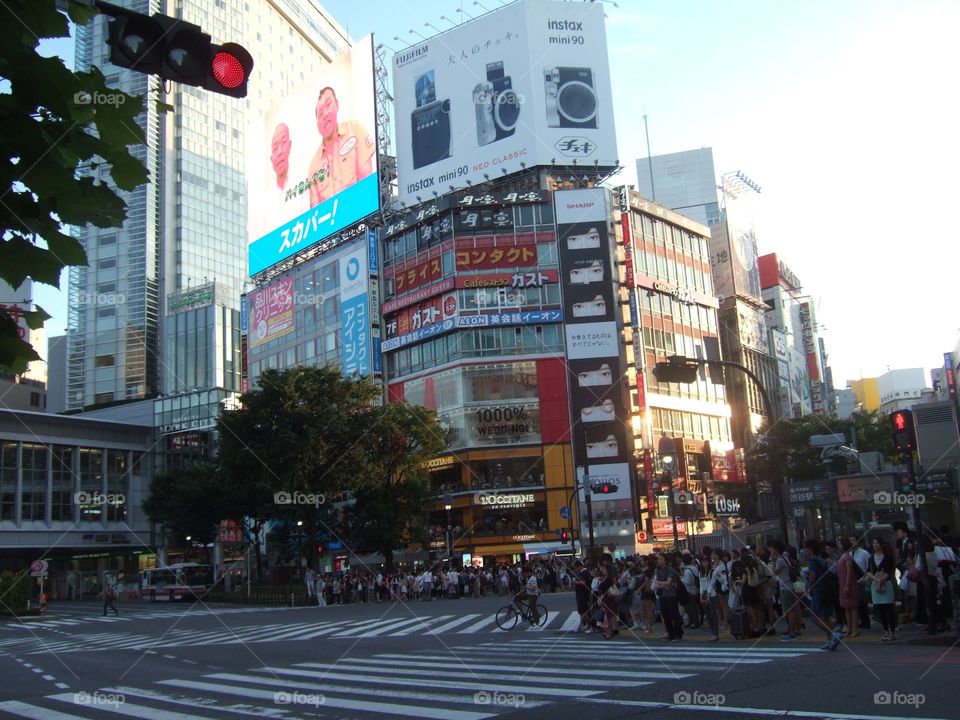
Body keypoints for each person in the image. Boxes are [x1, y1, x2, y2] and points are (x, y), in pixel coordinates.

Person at [308, 86, 376, 207]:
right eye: (320, 113)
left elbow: (367, 186)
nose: (325, 115)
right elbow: (316, 213)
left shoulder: (355, 130)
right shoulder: (313, 166)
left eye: (328, 105)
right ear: (317, 124)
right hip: (332, 223)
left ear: (337, 105)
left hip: (361, 215)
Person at [866, 537, 896, 641]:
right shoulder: (871, 558)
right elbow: (868, 571)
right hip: (876, 584)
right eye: (873, 543)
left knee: (889, 608)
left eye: (877, 543)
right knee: (880, 609)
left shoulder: (888, 557)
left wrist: (881, 579)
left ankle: (892, 631)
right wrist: (876, 579)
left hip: (886, 584)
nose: (875, 545)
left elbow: (889, 570)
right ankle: (885, 630)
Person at [654, 553, 683, 641]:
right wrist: (664, 584)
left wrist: (662, 584)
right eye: (658, 559)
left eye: (661, 559)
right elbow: (658, 583)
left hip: (671, 595)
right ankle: (670, 634)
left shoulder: (670, 570)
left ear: (665, 560)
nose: (659, 561)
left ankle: (677, 633)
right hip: (663, 595)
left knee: (673, 615)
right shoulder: (658, 570)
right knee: (665, 616)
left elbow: (669, 583)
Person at [837, 538, 861, 637]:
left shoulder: (847, 558)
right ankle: (849, 627)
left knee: (853, 607)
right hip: (842, 584)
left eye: (840, 544)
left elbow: (849, 572)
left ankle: (855, 628)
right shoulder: (842, 557)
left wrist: (847, 585)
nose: (838, 545)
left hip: (849, 584)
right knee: (846, 607)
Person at [849, 537, 871, 630]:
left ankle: (865, 621)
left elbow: (868, 567)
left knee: (862, 602)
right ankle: (858, 621)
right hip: (852, 581)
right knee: (855, 602)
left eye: (853, 540)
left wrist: (866, 579)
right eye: (850, 541)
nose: (852, 542)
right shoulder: (849, 554)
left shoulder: (864, 553)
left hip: (862, 580)